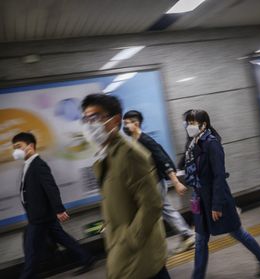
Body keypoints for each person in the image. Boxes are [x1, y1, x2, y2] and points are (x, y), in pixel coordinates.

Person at [81, 94, 169, 279]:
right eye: (86, 119)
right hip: (125, 251)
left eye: (95, 118)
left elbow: (152, 204)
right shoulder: (106, 156)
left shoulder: (130, 155)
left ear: (115, 120)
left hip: (138, 254)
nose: (89, 125)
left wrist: (129, 240)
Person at [183, 109, 260, 279]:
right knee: (201, 241)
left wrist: (216, 205)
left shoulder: (212, 144)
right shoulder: (193, 144)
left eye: (193, 122)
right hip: (201, 199)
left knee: (237, 232)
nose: (189, 126)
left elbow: (219, 176)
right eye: (189, 123)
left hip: (217, 199)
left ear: (204, 124)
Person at [11, 132, 95, 279]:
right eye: (14, 147)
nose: (15, 151)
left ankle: (27, 276)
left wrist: (59, 209)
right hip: (41, 215)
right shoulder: (28, 165)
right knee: (63, 239)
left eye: (18, 146)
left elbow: (51, 188)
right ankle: (87, 258)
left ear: (30, 146)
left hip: (39, 216)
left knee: (32, 248)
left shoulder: (39, 165)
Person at [122, 110, 195, 253]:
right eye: (124, 123)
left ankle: (185, 235)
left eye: (127, 123)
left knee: (160, 211)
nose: (124, 126)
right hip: (148, 184)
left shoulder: (146, 140)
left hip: (155, 183)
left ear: (136, 124)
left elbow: (163, 159)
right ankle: (185, 235)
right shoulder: (134, 141)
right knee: (165, 209)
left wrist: (176, 182)